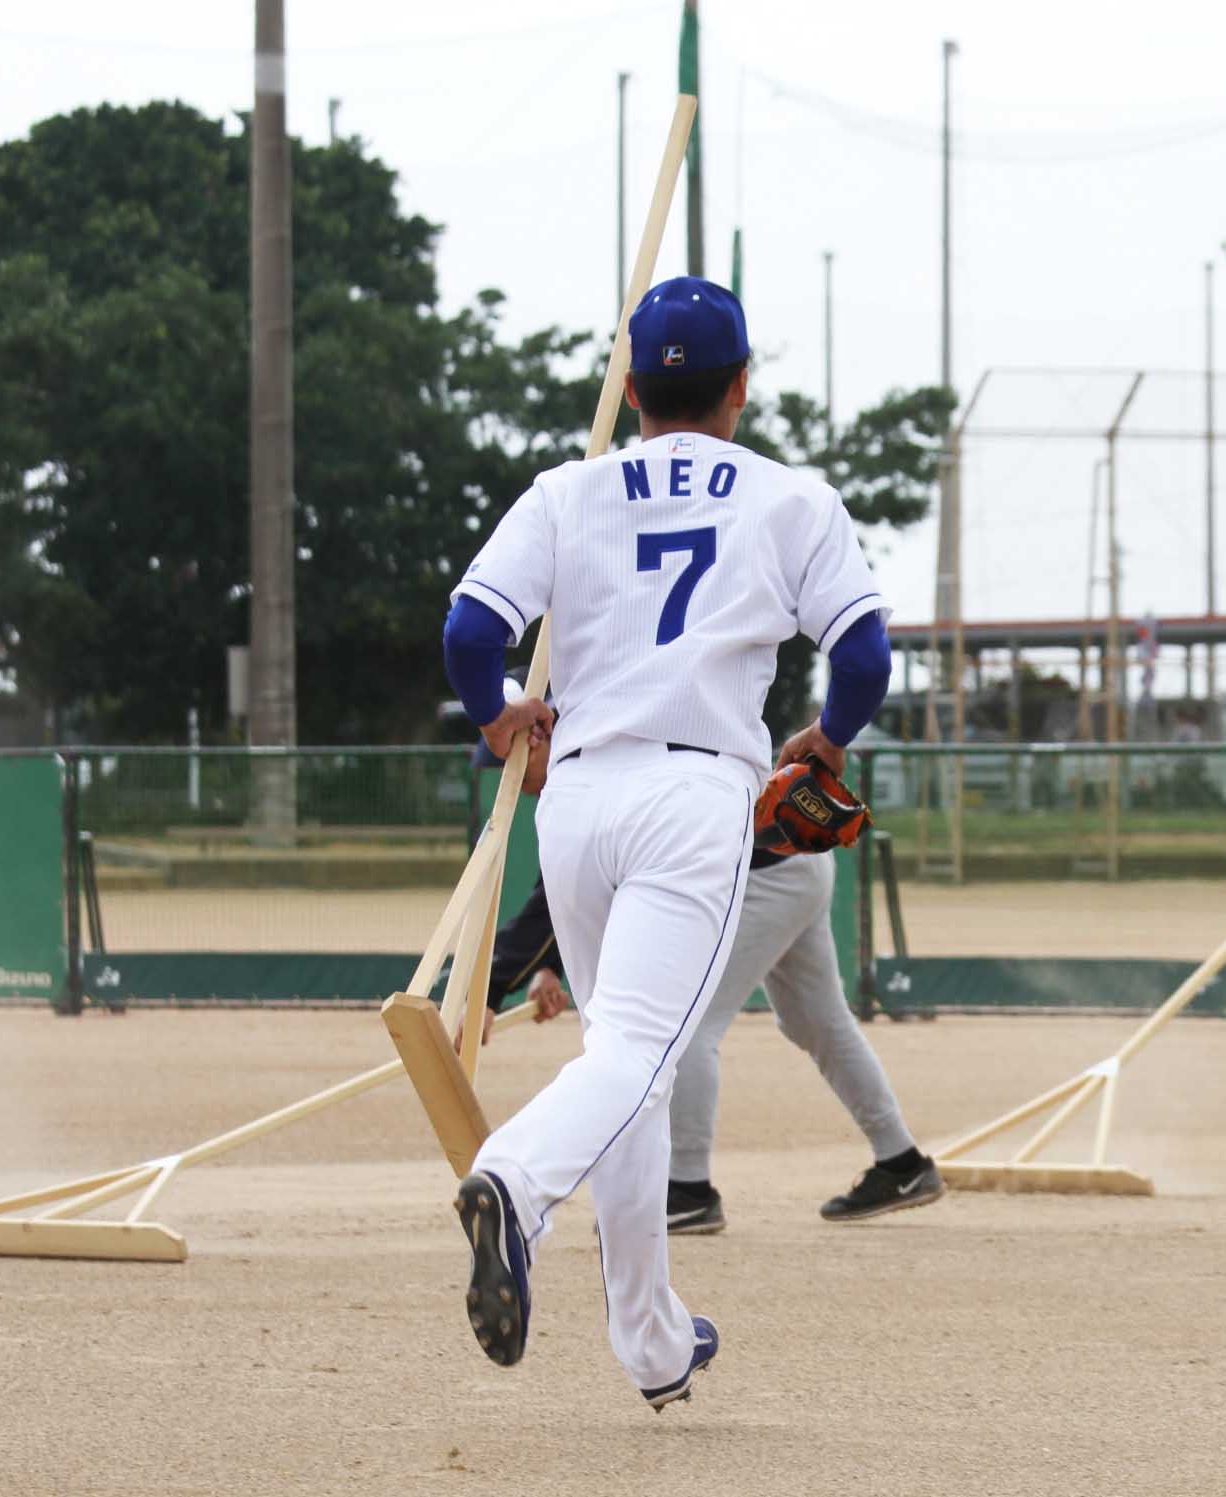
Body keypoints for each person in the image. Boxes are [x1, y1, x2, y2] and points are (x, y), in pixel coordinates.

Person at [438, 275, 892, 1409]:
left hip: (578, 801)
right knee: (638, 1053)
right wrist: (827, 743)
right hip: (695, 797)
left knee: (626, 1069)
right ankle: (513, 1180)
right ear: (741, 388)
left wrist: (498, 714)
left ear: (630, 387)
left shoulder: (567, 492)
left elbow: (469, 630)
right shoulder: (790, 501)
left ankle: (650, 1338)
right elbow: (866, 652)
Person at [472, 854, 943, 1233]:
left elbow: (577, 871)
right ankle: (901, 1162)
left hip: (763, 873)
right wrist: (549, 965)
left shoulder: (595, 755)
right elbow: (576, 879)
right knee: (819, 1023)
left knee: (690, 1026)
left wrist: (489, 990)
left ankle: (688, 1190)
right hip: (794, 860)